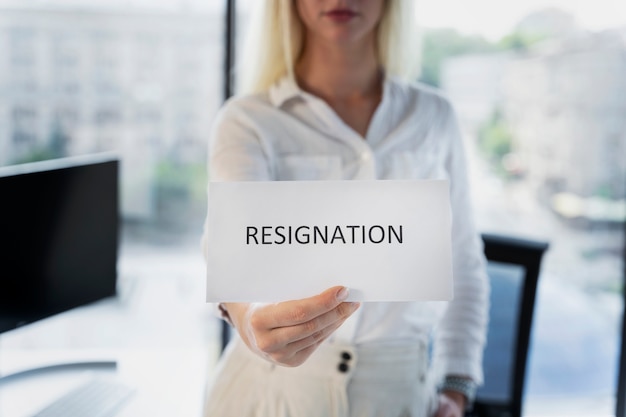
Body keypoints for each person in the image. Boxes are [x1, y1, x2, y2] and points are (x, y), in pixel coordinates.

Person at [201, 0, 489, 416]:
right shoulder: (247, 121)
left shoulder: (435, 118)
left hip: (401, 392)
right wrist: (248, 318)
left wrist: (457, 385)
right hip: (268, 395)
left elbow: (462, 262)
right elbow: (232, 252)